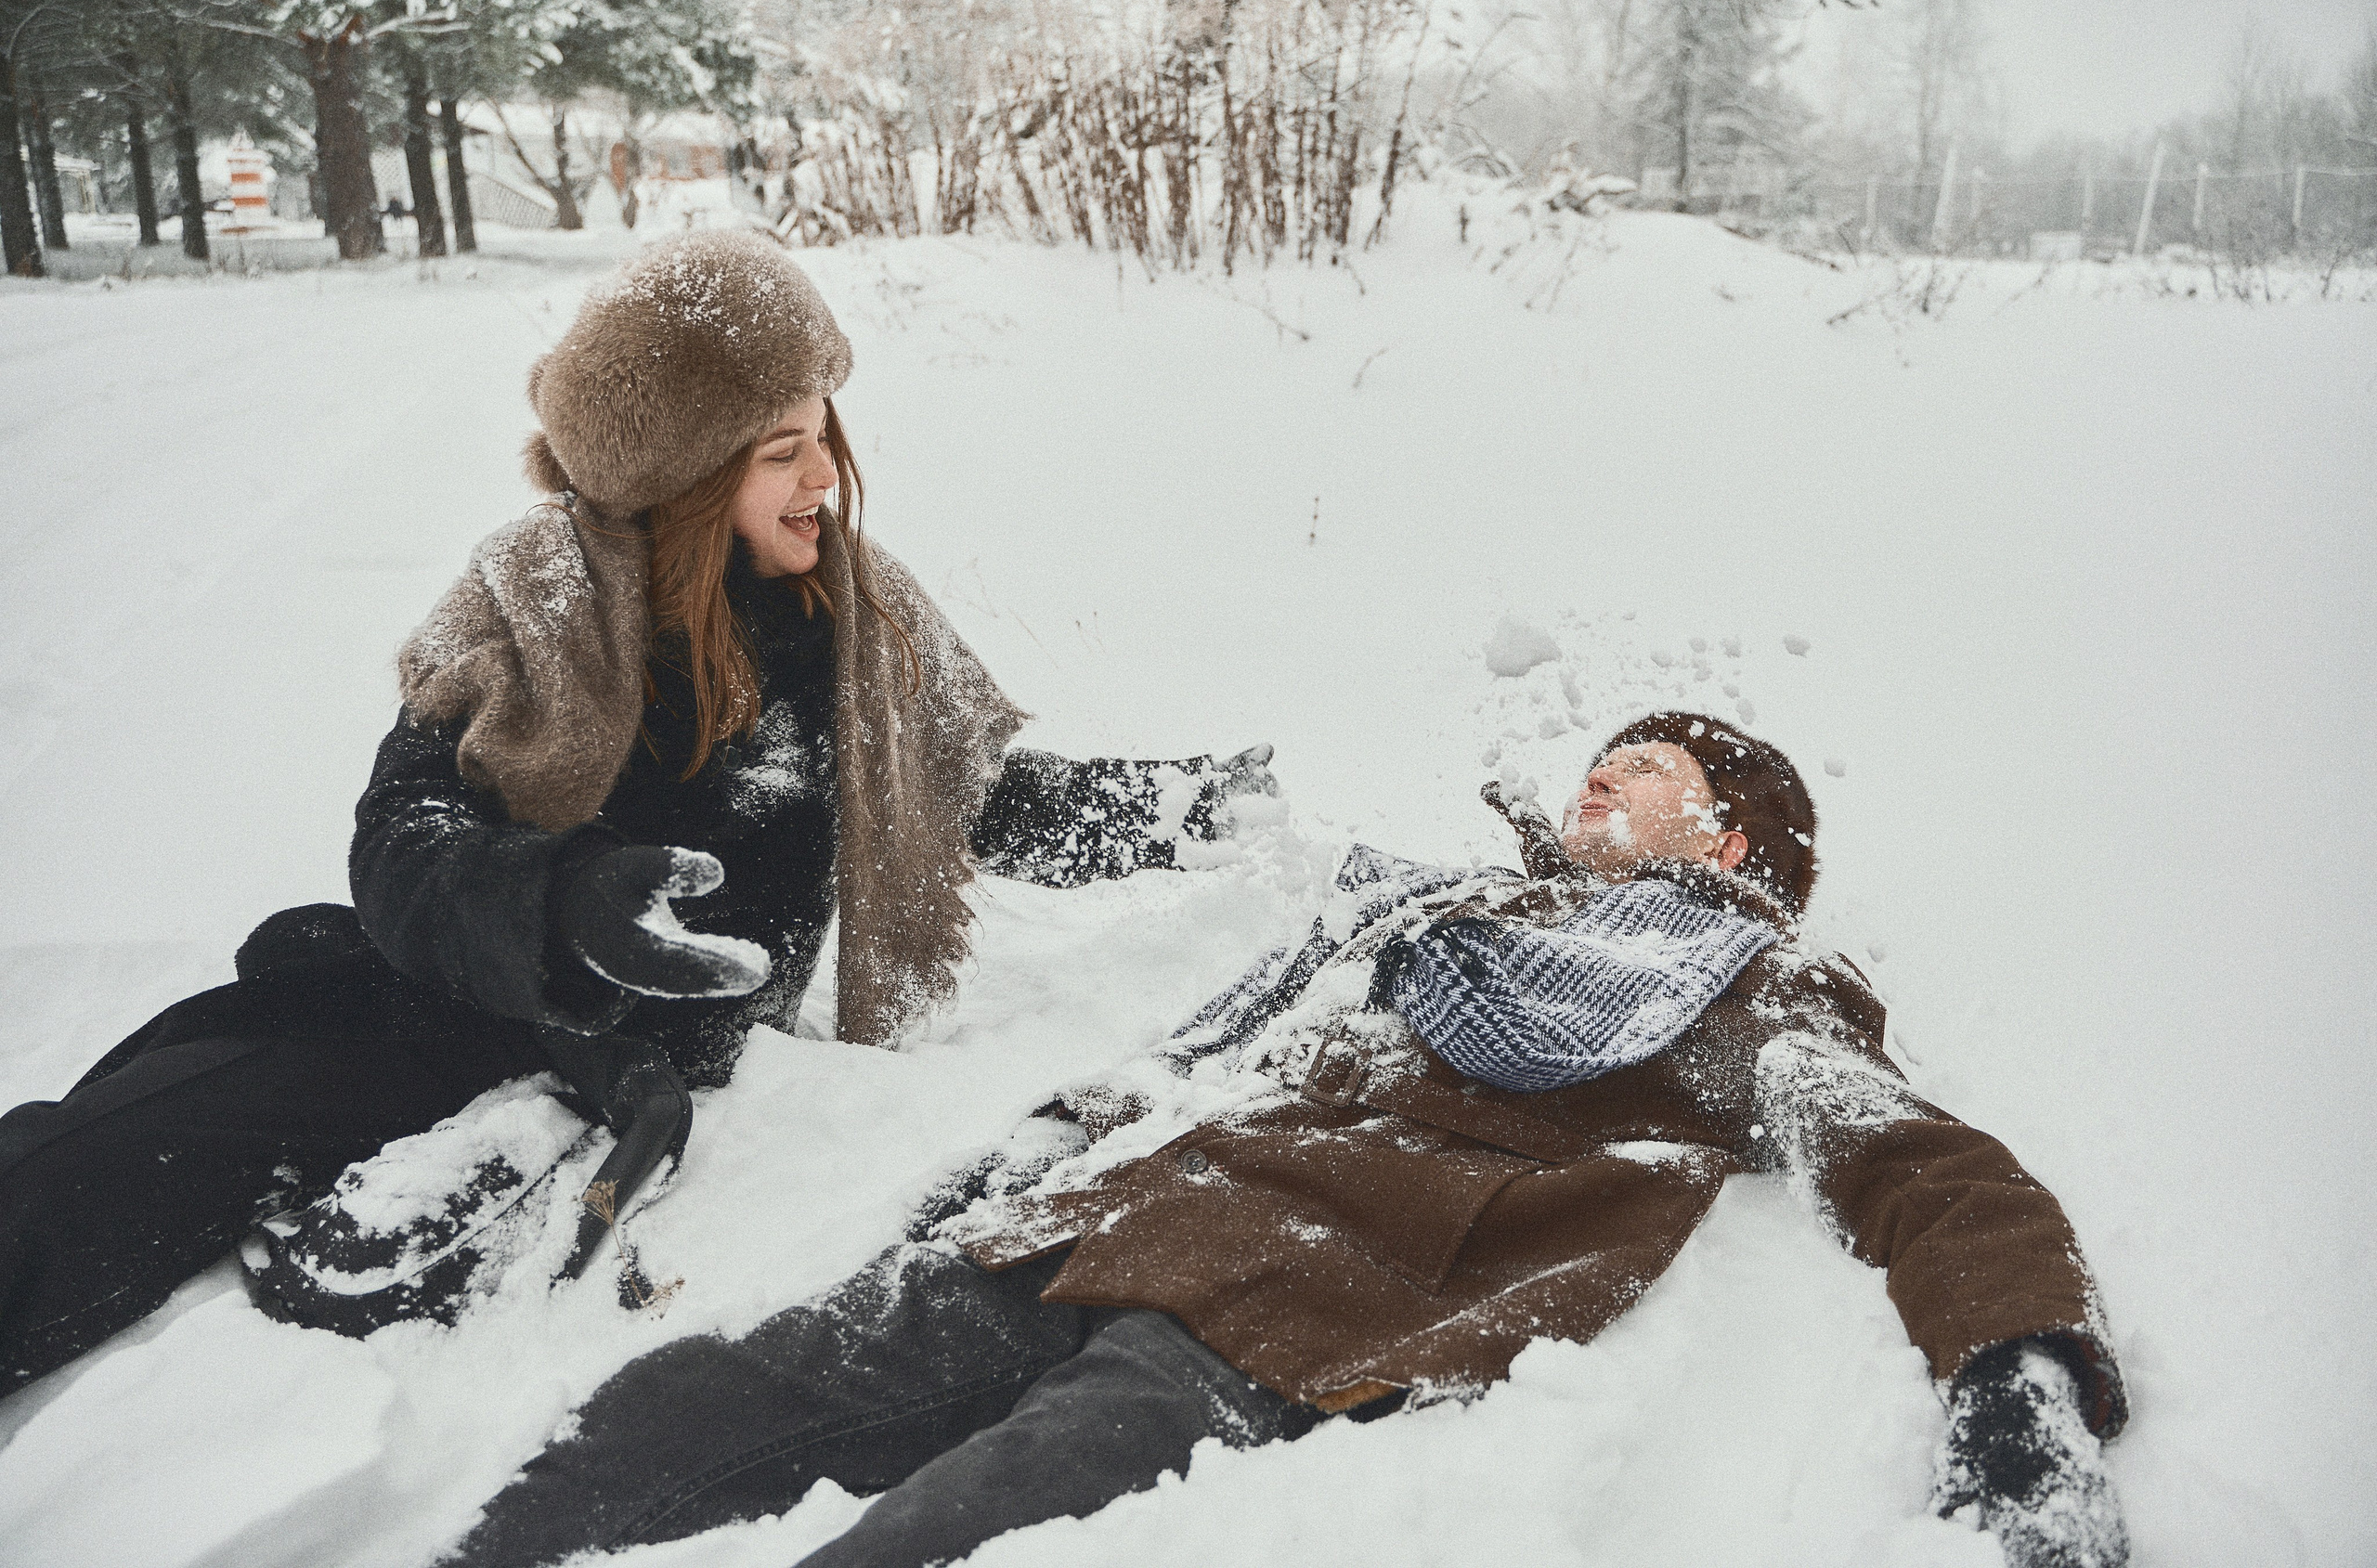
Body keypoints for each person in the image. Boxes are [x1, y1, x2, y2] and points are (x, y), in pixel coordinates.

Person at [0, 228, 1273, 1392]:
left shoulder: (857, 619)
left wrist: (1173, 810)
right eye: (781, 452)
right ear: (683, 472)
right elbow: (402, 841)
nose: (825, 477)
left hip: (644, 1072)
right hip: (441, 1017)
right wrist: (564, 905)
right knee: (94, 1179)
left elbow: (972, 795)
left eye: (825, 434)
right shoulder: (531, 599)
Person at [438, 712, 2130, 1568]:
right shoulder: (1433, 912)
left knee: (937, 1539)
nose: (1594, 784)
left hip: (1304, 1310)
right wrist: (1010, 1171)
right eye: (1591, 764)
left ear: (1733, 826)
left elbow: (1917, 1160)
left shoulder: (1735, 968)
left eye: (1642, 769)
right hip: (1098, 1225)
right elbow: (1195, 1056)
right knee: (692, 1405)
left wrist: (2021, 1381)